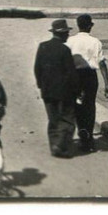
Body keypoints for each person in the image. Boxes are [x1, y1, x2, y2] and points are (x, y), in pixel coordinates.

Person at [34, 19, 79, 157]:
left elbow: (37, 68)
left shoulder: (43, 46)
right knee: (67, 119)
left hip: (47, 91)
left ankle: (54, 145)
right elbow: (71, 73)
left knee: (53, 119)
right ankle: (61, 146)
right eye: (67, 33)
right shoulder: (64, 50)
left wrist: (41, 85)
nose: (68, 35)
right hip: (64, 92)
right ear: (62, 33)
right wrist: (77, 90)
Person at [67, 14, 108, 152]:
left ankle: (82, 133)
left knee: (77, 106)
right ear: (89, 26)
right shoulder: (95, 42)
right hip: (90, 77)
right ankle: (88, 137)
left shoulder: (70, 41)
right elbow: (102, 63)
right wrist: (107, 84)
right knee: (90, 106)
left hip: (74, 76)